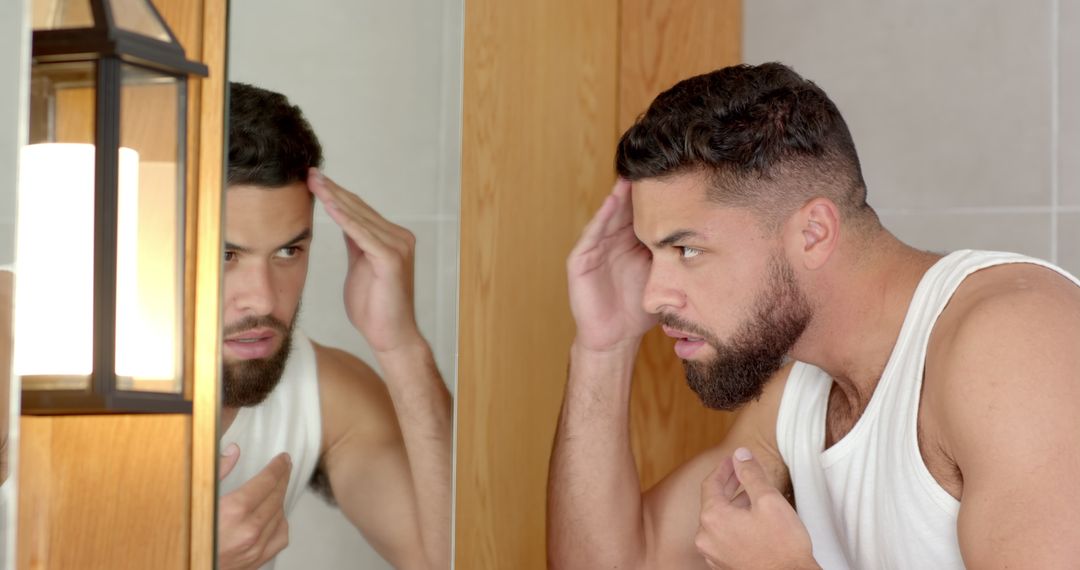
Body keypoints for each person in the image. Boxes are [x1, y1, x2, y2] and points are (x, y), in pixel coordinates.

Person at [548, 62, 1080, 569]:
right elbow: (619, 562)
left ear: (813, 233)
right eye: (650, 254)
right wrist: (604, 346)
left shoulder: (1013, 342)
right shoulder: (798, 398)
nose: (653, 297)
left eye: (687, 250)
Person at [216, 82, 451, 570]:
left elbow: (452, 557)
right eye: (226, 255)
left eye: (288, 251)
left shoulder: (323, 391)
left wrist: (401, 345)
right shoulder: (48, 372)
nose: (263, 298)